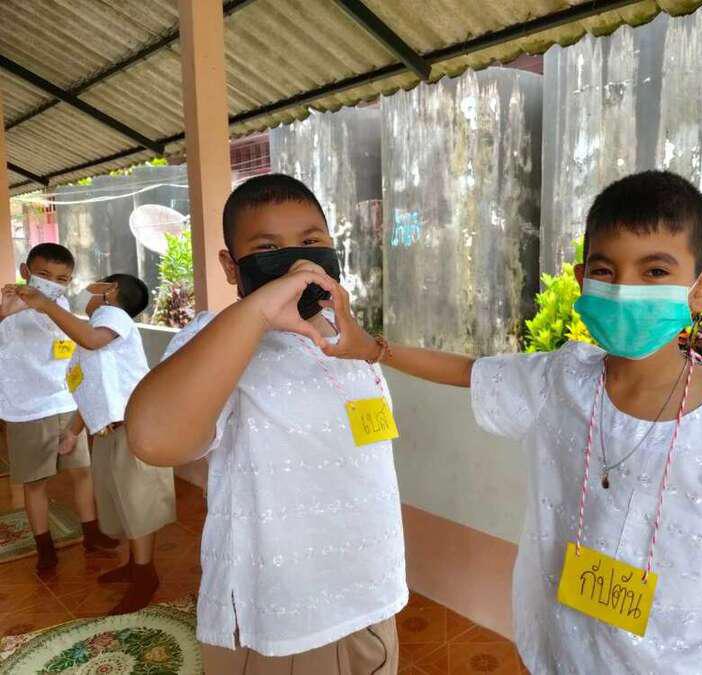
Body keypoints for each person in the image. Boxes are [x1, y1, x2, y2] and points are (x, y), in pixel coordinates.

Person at [320, 171, 702, 674]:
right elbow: (470, 372)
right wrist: (373, 349)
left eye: (654, 271)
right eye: (606, 270)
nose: (624, 291)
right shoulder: (564, 381)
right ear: (582, 281)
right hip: (564, 654)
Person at [125, 174, 405, 672]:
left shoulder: (343, 333)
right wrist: (257, 312)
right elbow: (154, 439)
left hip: (370, 592)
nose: (299, 263)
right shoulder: (219, 336)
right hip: (282, 615)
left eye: (312, 242)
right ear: (231, 267)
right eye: (267, 248)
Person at [13, 272, 177, 614]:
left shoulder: (112, 316)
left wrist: (45, 305)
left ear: (110, 291)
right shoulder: (93, 332)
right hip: (107, 430)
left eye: (95, 288)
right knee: (122, 502)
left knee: (138, 503)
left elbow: (90, 339)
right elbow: (92, 390)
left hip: (133, 428)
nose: (87, 294)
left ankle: (145, 574)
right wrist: (74, 430)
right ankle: (134, 564)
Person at [0, 243, 118, 572]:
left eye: (62, 279)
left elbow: (78, 341)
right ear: (25, 272)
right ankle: (44, 547)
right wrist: (3, 313)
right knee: (35, 482)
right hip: (26, 408)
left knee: (82, 472)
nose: (52, 283)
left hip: (66, 402)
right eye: (44, 275)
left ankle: (91, 533)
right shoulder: (6, 303)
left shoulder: (60, 304)